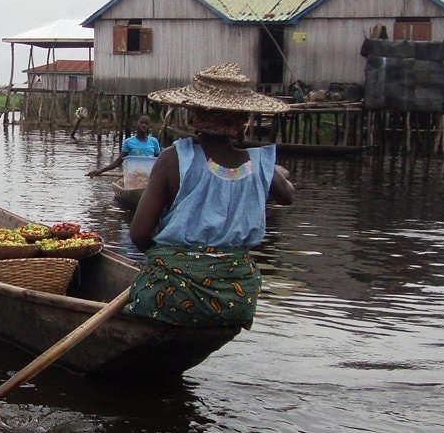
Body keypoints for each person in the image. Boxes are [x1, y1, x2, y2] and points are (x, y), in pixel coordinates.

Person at [127, 63, 295, 329]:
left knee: (146, 295)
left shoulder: (174, 158)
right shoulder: (260, 163)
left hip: (174, 294)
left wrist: (173, 263)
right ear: (242, 121)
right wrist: (272, 171)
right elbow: (288, 196)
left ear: (195, 117)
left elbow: (138, 235)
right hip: (236, 296)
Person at [86, 114, 161, 178]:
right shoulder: (129, 142)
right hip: (134, 175)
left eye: (146, 123)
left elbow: (160, 159)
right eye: (141, 122)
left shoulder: (153, 141)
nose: (144, 125)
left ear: (149, 126)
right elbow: (119, 161)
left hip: (149, 175)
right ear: (137, 124)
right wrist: (100, 170)